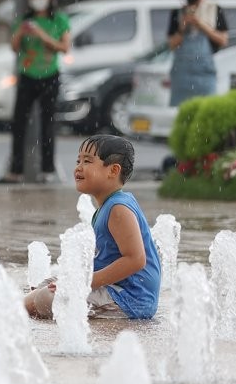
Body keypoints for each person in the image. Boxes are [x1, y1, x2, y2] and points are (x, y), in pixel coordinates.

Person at [25, 135, 161, 319]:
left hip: (130, 299)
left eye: (87, 161)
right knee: (47, 283)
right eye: (78, 160)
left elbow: (136, 260)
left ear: (113, 170)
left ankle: (16, 309)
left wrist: (83, 282)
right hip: (114, 289)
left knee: (46, 298)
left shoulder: (118, 209)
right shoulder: (107, 206)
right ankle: (14, 309)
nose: (78, 167)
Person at [0, 0, 71, 185]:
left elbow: (64, 47)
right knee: (19, 123)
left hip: (50, 75)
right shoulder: (24, 20)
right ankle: (16, 170)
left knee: (48, 124)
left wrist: (42, 34)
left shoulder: (59, 20)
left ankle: (47, 170)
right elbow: (14, 47)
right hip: (27, 75)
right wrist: (21, 32)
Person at [168, 0, 228, 106]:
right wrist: (182, 28)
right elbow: (171, 45)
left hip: (205, 75)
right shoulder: (177, 13)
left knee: (207, 111)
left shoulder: (214, 9)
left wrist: (200, 24)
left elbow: (223, 40)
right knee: (180, 114)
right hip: (182, 77)